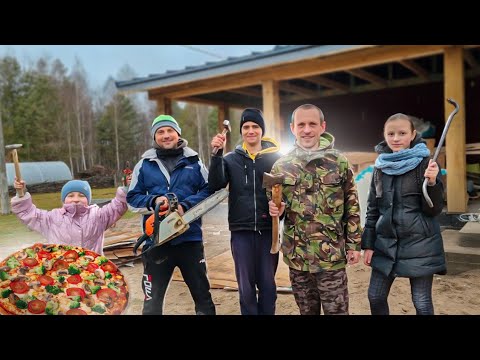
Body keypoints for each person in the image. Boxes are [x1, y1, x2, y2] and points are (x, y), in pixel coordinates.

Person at [268, 104, 362, 315]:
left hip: (331, 257)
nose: (307, 130)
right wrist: (277, 209)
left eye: (312, 124)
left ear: (322, 126)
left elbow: (352, 204)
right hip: (298, 258)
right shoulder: (281, 166)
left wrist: (354, 244)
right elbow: (275, 207)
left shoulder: (339, 162)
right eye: (301, 124)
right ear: (292, 128)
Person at [127, 114, 216, 315]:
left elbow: (208, 190)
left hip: (189, 239)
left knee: (202, 295)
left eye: (170, 131)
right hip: (157, 242)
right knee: (152, 302)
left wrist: (185, 205)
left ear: (178, 133)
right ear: (155, 136)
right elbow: (132, 199)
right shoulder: (144, 164)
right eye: (160, 132)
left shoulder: (194, 161)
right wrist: (154, 202)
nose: (166, 135)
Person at [361, 113, 446, 315]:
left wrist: (433, 183)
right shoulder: (380, 168)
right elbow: (373, 209)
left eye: (402, 133)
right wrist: (368, 244)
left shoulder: (427, 164)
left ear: (413, 134)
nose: (396, 138)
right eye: (391, 133)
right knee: (375, 296)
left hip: (420, 244)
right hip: (386, 243)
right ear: (384, 135)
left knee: (421, 302)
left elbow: (434, 209)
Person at [209, 108, 281, 315]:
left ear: (262, 130)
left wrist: (279, 211)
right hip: (240, 231)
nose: (251, 131)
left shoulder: (275, 159)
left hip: (268, 231)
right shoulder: (231, 159)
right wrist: (216, 154)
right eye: (246, 127)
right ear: (241, 131)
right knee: (246, 288)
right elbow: (215, 184)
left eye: (255, 126)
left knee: (268, 285)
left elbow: (283, 195)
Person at [11, 179, 128, 254]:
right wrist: (20, 194)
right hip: (61, 271)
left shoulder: (98, 216)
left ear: (88, 199)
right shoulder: (51, 218)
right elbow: (27, 212)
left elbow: (118, 206)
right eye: (71, 195)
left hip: (92, 269)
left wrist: (126, 188)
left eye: (81, 195)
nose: (76, 199)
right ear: (64, 199)